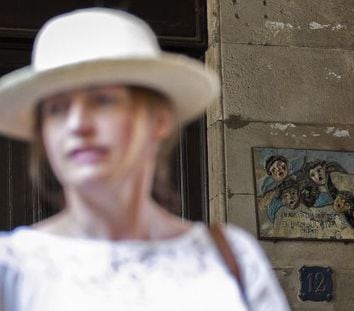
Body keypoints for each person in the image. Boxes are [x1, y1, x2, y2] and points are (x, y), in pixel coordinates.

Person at [0, 8, 290, 311]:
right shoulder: (12, 270)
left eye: (103, 100)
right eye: (56, 109)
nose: (77, 124)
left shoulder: (231, 259)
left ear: (159, 120)